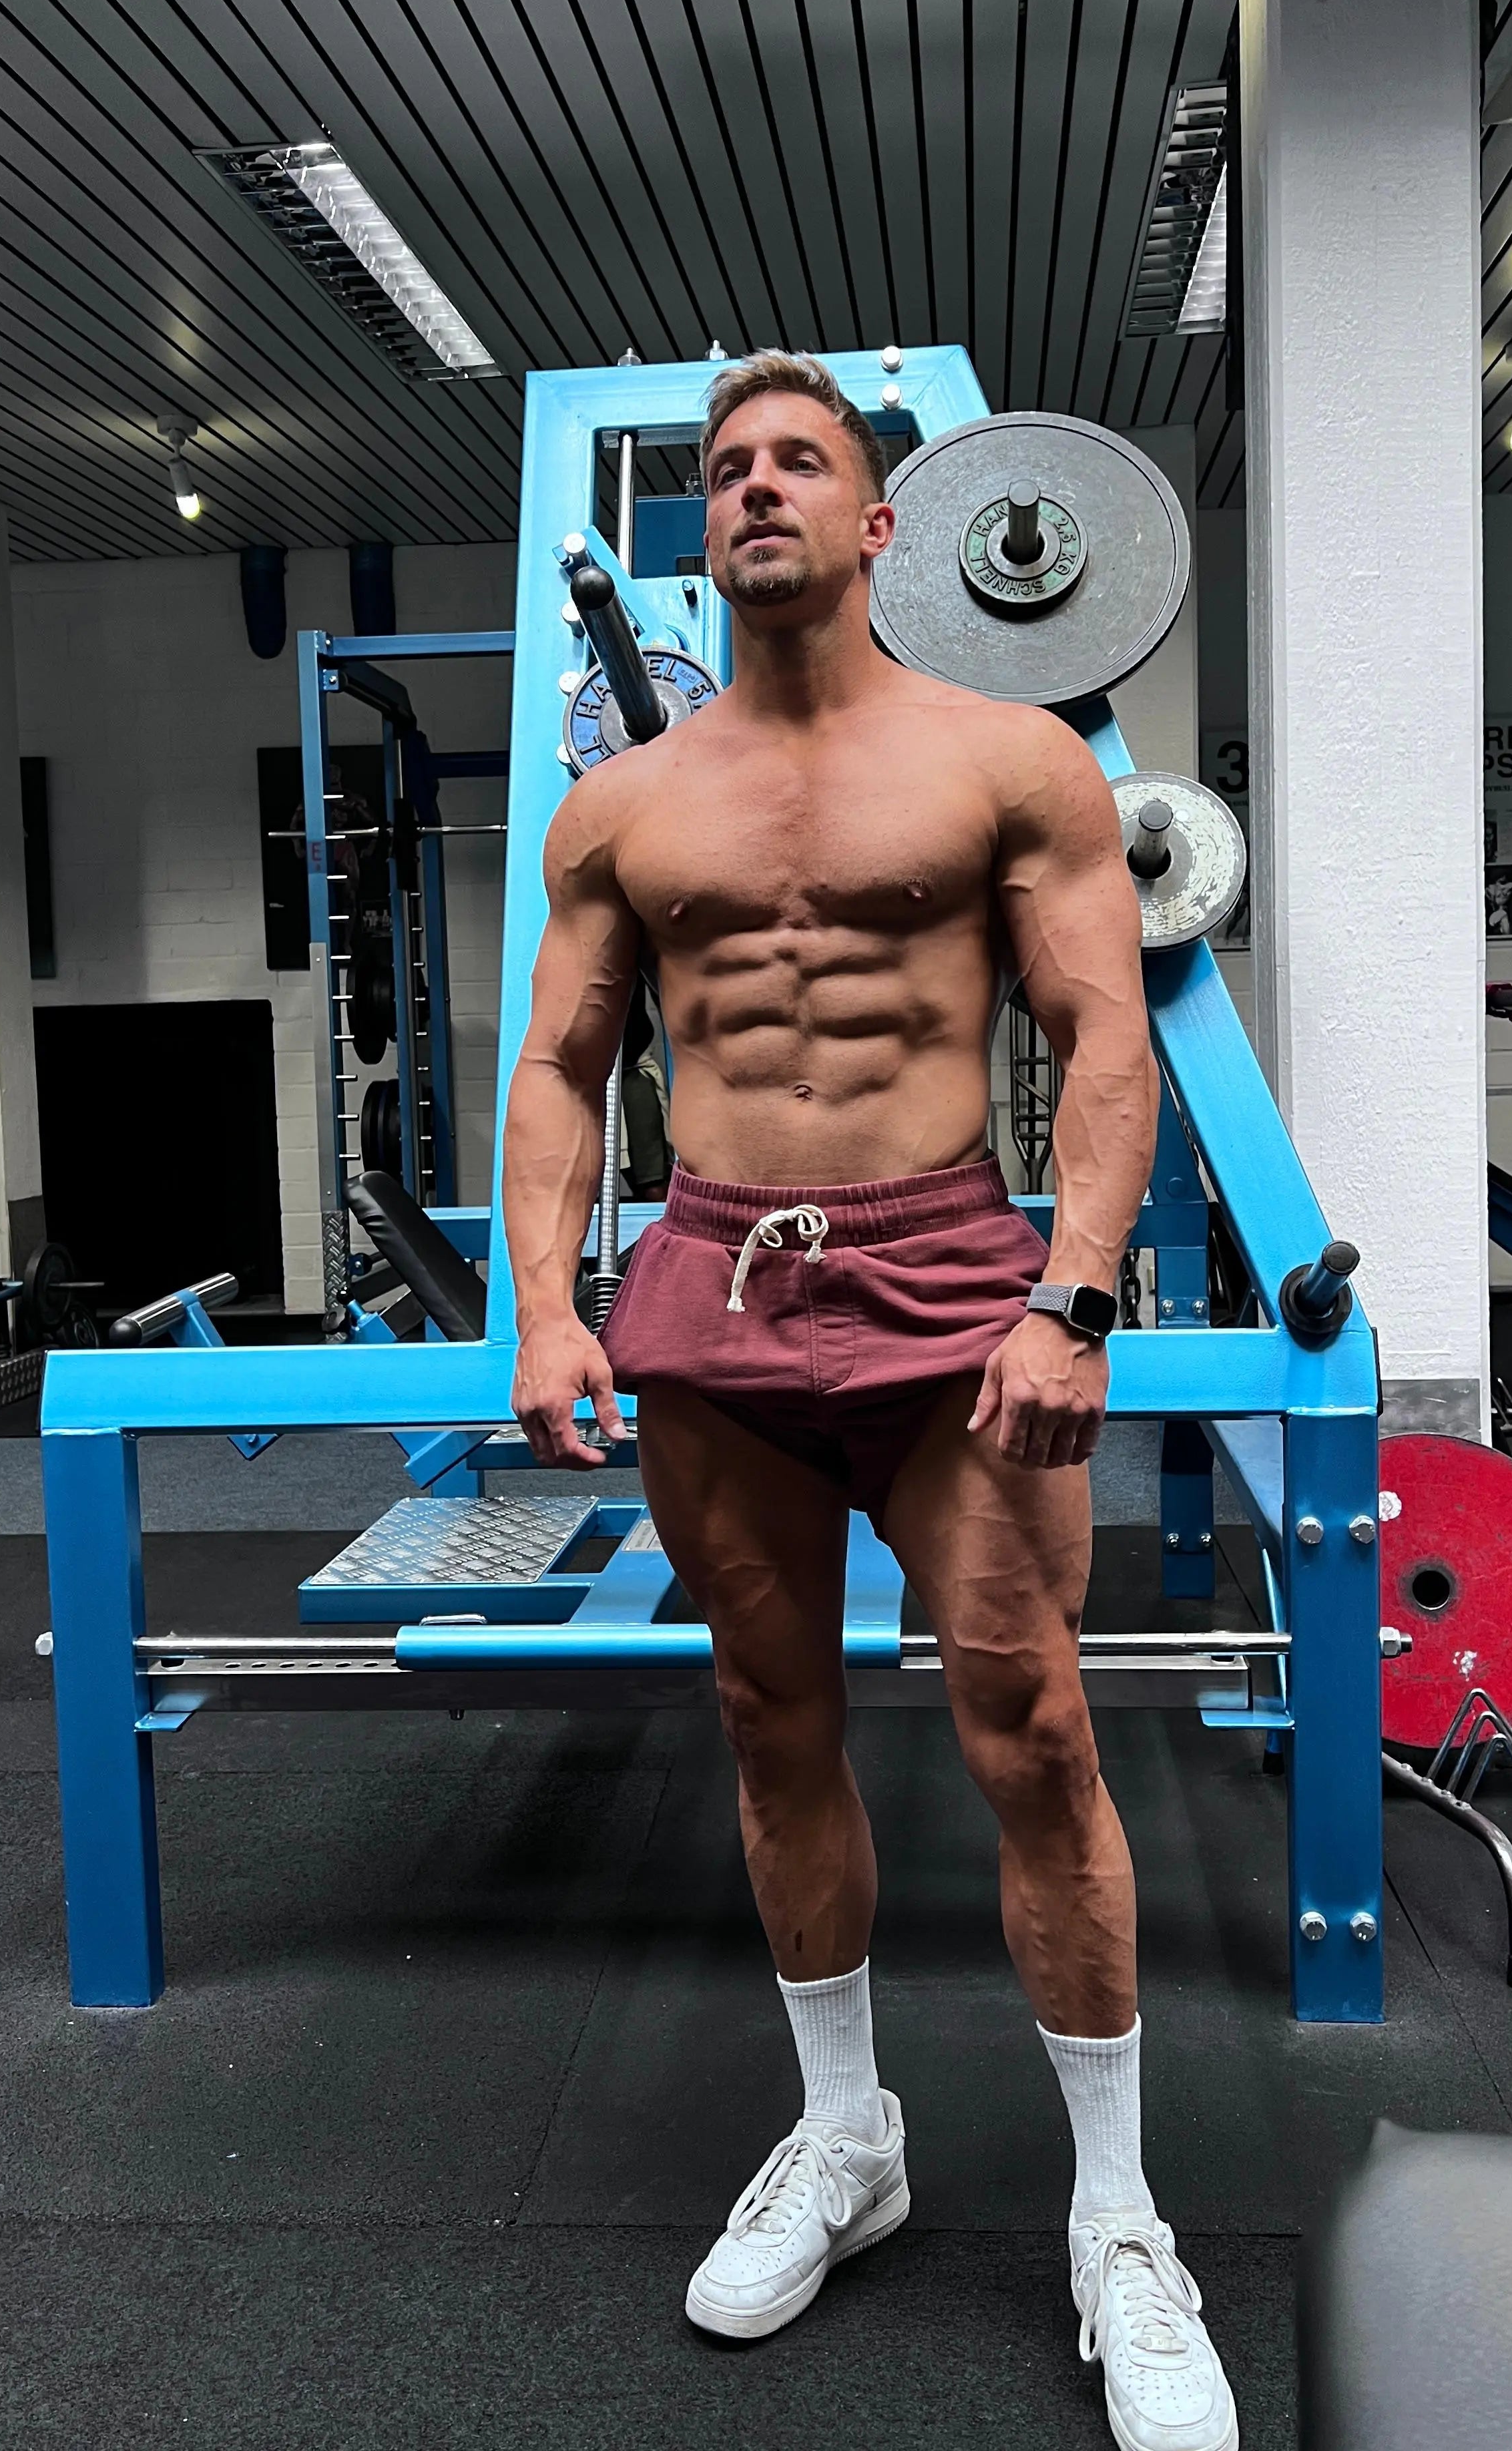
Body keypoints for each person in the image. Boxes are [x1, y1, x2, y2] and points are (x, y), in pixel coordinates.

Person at [504, 351, 1236, 2451]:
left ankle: (1119, 2219)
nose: (757, 487)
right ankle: (850, 2142)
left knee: (1035, 1729)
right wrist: (542, 1309)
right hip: (714, 1278)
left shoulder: (1012, 760)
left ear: (881, 519)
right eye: (729, 468)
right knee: (770, 1715)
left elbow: (1106, 1037)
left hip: (948, 1277)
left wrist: (1074, 1298)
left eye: (800, 461)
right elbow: (562, 1067)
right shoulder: (623, 808)